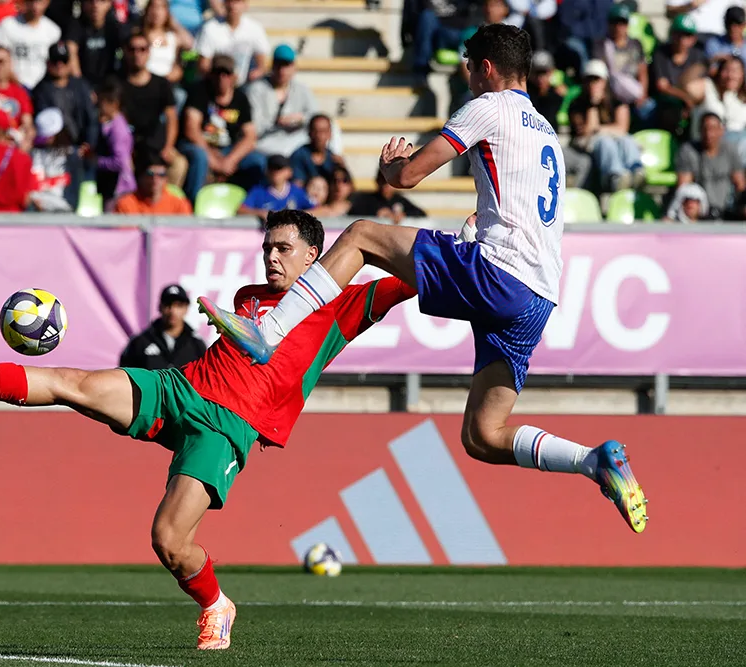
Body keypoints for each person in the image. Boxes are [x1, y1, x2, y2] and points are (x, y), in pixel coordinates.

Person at [199, 23, 648, 536]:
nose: (466, 76)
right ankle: (595, 461)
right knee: (482, 435)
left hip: (499, 273)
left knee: (363, 233)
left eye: (467, 65)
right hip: (538, 296)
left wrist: (391, 167)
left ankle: (271, 330)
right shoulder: (545, 129)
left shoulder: (489, 105)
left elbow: (410, 177)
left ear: (485, 67)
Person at [0, 209, 417, 650]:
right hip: (181, 386)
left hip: (225, 428)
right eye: (267, 248)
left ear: (314, 256)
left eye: (284, 249)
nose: (272, 258)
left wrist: (471, 244)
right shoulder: (251, 295)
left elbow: (417, 273)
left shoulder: (348, 305)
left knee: (169, 540)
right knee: (74, 382)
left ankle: (217, 604)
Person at [178, 53, 264, 200]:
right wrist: (213, 160)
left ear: (233, 76)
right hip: (200, 146)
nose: (221, 78)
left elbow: (250, 136)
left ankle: (249, 204)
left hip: (228, 149)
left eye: (226, 73)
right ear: (211, 75)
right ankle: (194, 202)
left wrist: (230, 160)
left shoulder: (241, 98)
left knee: (257, 161)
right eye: (217, 73)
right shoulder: (199, 92)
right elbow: (191, 129)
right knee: (199, 157)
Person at [121, 29, 187, 187]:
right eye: (133, 49)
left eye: (142, 49)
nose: (137, 54)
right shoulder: (117, 84)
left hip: (157, 145)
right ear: (125, 52)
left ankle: (166, 205)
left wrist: (168, 147)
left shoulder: (161, 84)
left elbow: (171, 117)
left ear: (149, 52)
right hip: (128, 145)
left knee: (179, 164)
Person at [568, 59, 645, 192]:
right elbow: (587, 131)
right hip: (588, 145)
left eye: (597, 79)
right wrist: (593, 105)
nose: (593, 84)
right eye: (589, 79)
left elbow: (622, 128)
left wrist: (600, 129)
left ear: (605, 81)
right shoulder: (577, 104)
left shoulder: (616, 101)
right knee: (604, 142)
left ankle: (637, 170)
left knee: (626, 140)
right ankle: (615, 177)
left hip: (613, 139)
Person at [32, 41, 98, 166]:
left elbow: (91, 117)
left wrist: (89, 143)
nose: (60, 65)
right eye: (55, 61)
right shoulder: (40, 90)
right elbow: (42, 123)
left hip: (81, 150)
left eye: (64, 60)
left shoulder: (81, 86)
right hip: (52, 153)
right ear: (48, 63)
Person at [247, 44, 315, 158]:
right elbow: (255, 126)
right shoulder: (256, 89)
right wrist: (277, 122)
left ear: (294, 67)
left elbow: (315, 116)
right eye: (279, 65)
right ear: (272, 66)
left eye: (286, 66)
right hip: (267, 140)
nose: (282, 70)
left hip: (294, 138)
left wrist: (300, 118)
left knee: (330, 129)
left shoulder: (302, 90)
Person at [676, 110, 746, 219]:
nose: (709, 134)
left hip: (727, 211)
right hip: (700, 213)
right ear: (699, 130)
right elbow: (684, 188)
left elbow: (740, 185)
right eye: (705, 129)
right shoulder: (688, 151)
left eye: (713, 129)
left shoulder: (730, 150)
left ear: (721, 130)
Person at [119, 284, 206, 370]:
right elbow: (124, 376)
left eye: (178, 305)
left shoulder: (196, 345)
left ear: (186, 308)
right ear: (160, 307)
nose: (172, 310)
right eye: (168, 304)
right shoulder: (140, 342)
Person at [594, 3, 654, 126]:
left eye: (622, 23)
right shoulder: (601, 45)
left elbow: (642, 71)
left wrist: (642, 95)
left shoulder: (636, 44)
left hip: (633, 93)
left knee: (649, 108)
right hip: (611, 95)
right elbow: (599, 74)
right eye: (615, 22)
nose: (618, 27)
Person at [651, 14, 709, 133]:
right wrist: (686, 99)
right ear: (672, 34)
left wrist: (691, 102)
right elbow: (662, 86)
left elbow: (702, 85)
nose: (682, 39)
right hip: (669, 102)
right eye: (679, 34)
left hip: (693, 103)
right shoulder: (661, 54)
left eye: (687, 35)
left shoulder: (698, 56)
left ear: (693, 39)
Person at [194, 0, 269, 85]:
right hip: (215, 84)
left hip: (244, 85)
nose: (233, 6)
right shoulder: (209, 29)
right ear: (224, 4)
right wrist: (223, 79)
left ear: (245, 5)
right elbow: (203, 66)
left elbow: (262, 66)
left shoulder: (255, 29)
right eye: (230, 1)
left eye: (237, 2)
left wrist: (253, 75)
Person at [0, 0, 62, 89]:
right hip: (14, 86)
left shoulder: (53, 31)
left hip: (42, 88)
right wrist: (20, 85)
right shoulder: (7, 25)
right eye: (32, 1)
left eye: (40, 2)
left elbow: (54, 65)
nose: (36, 6)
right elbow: (1, 59)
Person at [30, 107, 83, 211]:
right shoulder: (37, 153)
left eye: (49, 136)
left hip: (66, 211)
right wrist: (35, 201)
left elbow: (75, 187)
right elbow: (35, 181)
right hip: (41, 210)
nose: (46, 140)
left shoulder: (73, 155)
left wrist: (70, 207)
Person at [65, 0, 124, 86]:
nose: (95, 5)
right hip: (83, 84)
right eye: (90, 1)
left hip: (110, 85)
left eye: (101, 1)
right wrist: (82, 88)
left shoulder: (114, 28)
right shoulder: (76, 26)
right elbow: (71, 53)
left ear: (109, 4)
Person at [114, 150, 193, 213]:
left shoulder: (179, 205)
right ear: (140, 177)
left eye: (161, 175)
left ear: (166, 179)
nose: (155, 179)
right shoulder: (125, 204)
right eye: (150, 174)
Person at [239, 154, 314, 220]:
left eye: (280, 169)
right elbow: (241, 210)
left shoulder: (297, 192)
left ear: (289, 172)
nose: (276, 173)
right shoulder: (258, 191)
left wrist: (299, 215)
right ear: (266, 171)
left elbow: (322, 209)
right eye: (272, 169)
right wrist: (261, 213)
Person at [96, 78, 135, 201]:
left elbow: (120, 162)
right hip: (113, 186)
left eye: (102, 101)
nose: (98, 105)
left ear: (114, 103)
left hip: (119, 189)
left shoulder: (118, 129)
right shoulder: (112, 124)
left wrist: (95, 161)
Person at [142, 0, 194, 83]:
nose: (156, 12)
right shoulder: (141, 36)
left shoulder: (173, 38)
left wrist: (174, 23)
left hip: (167, 84)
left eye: (161, 8)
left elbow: (190, 44)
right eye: (153, 7)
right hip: (146, 83)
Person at [350, 171, 426, 223]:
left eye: (388, 182)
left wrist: (403, 215)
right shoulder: (366, 199)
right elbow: (353, 214)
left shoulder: (400, 200)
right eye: (382, 181)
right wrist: (376, 214)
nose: (385, 186)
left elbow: (421, 213)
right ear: (377, 181)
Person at [289, 114, 343, 187]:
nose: (319, 135)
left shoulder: (333, 158)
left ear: (329, 134)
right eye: (315, 131)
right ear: (309, 133)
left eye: (323, 131)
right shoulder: (299, 156)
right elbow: (297, 186)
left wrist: (342, 167)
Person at [706, 6, 746, 70]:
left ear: (744, 25)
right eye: (729, 23)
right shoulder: (714, 43)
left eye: (737, 24)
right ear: (724, 23)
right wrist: (717, 61)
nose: (733, 28)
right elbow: (710, 71)